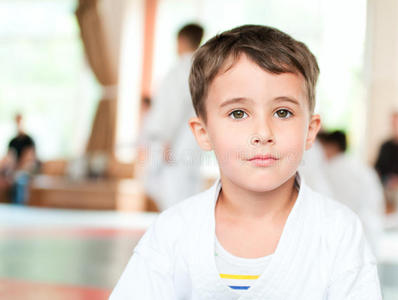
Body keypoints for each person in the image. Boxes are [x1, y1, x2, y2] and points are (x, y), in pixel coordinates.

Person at [110, 25, 381, 299]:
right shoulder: (172, 233)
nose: (263, 133)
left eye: (283, 112)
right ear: (203, 134)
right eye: (238, 113)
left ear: (310, 130)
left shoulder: (338, 233)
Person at [141, 23, 204, 210]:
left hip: (176, 141)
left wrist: (166, 140)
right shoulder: (203, 71)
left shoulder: (179, 70)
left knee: (172, 194)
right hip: (194, 141)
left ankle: (176, 236)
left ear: (181, 41)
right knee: (188, 191)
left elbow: (172, 108)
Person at [318, 130, 385, 253]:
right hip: (372, 229)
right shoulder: (360, 166)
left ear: (332, 147)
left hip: (350, 232)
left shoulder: (332, 169)